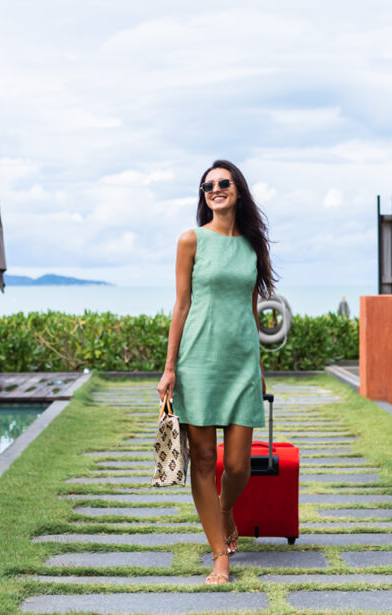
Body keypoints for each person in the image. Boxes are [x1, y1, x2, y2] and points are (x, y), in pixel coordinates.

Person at [157, 160, 276, 585]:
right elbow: (182, 305)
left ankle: (225, 511)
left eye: (223, 183)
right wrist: (170, 368)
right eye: (207, 185)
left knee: (240, 464)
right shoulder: (191, 241)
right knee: (204, 461)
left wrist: (258, 365)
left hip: (240, 364)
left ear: (238, 191)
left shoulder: (251, 245)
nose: (215, 189)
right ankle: (220, 556)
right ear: (203, 195)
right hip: (198, 363)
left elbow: (249, 308)